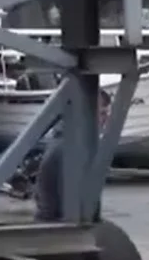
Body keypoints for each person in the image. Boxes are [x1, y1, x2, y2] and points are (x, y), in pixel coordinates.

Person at [35, 90, 112, 222]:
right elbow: (75, 208)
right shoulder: (70, 150)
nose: (105, 120)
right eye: (102, 113)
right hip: (58, 233)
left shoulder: (66, 142)